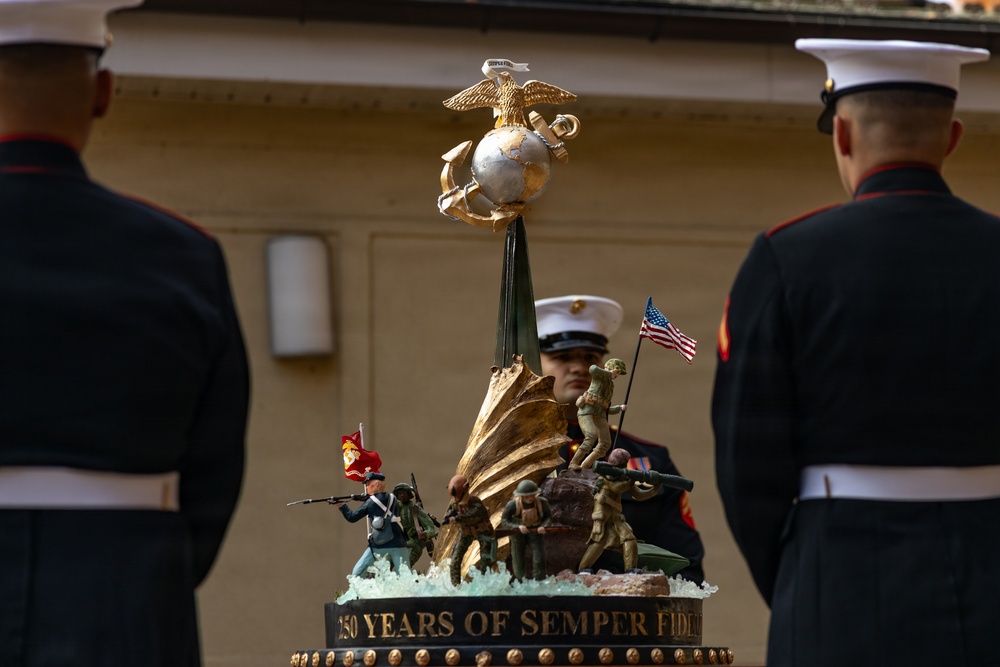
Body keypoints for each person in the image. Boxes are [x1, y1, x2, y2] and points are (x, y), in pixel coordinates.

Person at [712, 38, 998, 667]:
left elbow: (746, 463)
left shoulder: (787, 257)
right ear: (951, 138)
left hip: (840, 572)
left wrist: (799, 578)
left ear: (841, 134)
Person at [0, 2, 250, 666]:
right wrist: (148, 565)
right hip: (125, 590)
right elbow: (214, 466)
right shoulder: (183, 254)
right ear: (104, 93)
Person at [536, 295, 705, 583]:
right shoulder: (514, 453)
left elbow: (686, 566)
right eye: (563, 357)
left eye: (590, 358)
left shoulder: (650, 457)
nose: (578, 367)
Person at [338, 472, 409, 577]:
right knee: (406, 576)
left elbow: (352, 517)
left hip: (379, 545)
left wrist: (342, 505)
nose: (366, 488)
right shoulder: (393, 497)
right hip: (399, 542)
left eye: (368, 484)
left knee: (357, 573)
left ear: (376, 484)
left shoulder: (371, 502)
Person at [569, 357, 627, 470]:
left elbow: (606, 407)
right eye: (617, 371)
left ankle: (585, 466)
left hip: (600, 415)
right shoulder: (599, 376)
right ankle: (573, 463)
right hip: (587, 411)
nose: (617, 374)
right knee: (591, 435)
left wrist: (619, 408)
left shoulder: (610, 386)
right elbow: (593, 368)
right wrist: (608, 373)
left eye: (618, 373)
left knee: (605, 443)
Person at [443, 474, 497, 585]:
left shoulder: (476, 503)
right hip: (465, 533)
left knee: (486, 561)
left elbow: (471, 515)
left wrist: (456, 518)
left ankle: (485, 586)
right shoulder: (455, 505)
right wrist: (449, 517)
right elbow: (450, 513)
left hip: (483, 532)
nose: (455, 499)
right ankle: (456, 587)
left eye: (457, 496)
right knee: (455, 560)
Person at [499, 479, 552, 580]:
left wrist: (544, 526)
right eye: (527, 496)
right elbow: (504, 521)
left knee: (539, 558)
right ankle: (520, 582)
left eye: (532, 495)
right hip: (518, 535)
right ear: (521, 495)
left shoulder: (542, 503)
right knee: (518, 560)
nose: (530, 498)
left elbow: (548, 516)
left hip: (536, 533)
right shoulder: (513, 505)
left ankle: (539, 581)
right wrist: (516, 527)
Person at [392, 482, 438, 569]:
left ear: (409, 494)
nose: (401, 495)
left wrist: (425, 534)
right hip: (401, 542)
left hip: (415, 543)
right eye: (399, 493)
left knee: (405, 566)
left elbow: (430, 528)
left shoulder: (415, 509)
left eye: (403, 493)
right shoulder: (396, 508)